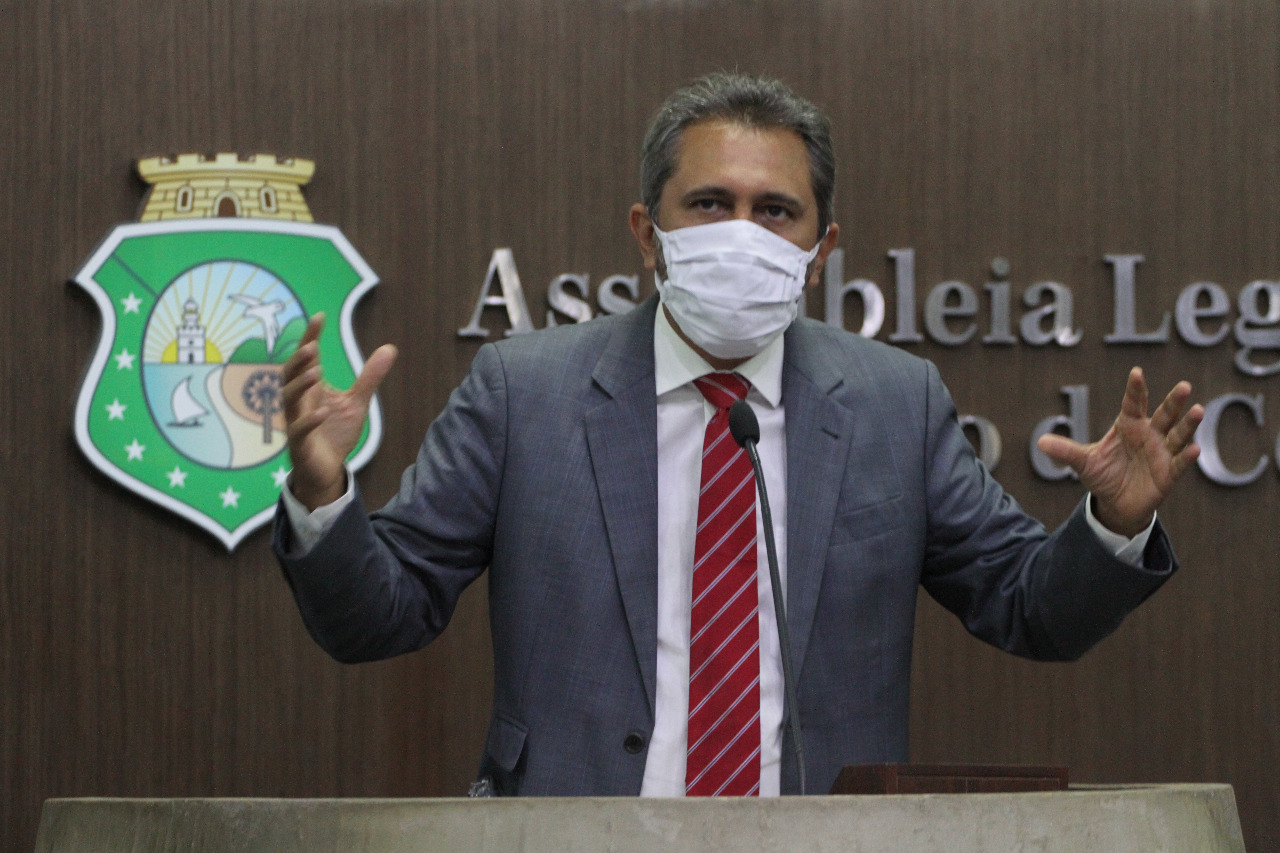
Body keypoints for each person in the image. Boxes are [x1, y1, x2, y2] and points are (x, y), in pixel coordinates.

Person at [274, 72, 1203, 798]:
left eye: (775, 211)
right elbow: (378, 617)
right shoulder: (524, 393)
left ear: (820, 250)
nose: (741, 233)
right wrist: (323, 493)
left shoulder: (895, 403)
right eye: (710, 204)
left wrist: (1113, 524)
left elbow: (1030, 608)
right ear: (648, 233)